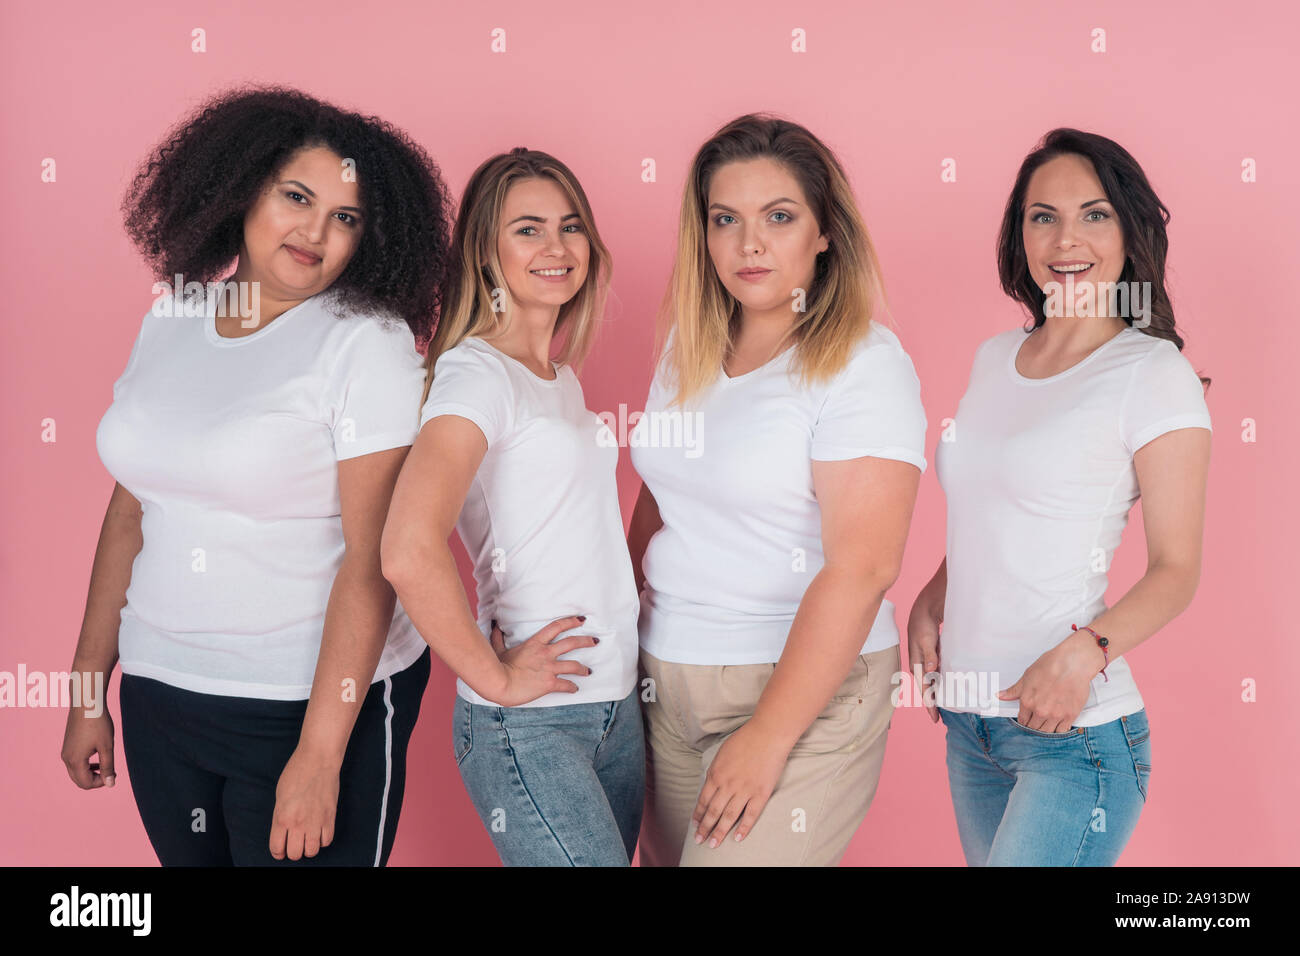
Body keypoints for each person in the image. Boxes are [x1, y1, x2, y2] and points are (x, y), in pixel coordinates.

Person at [64, 85, 453, 866]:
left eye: (346, 217)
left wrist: (317, 757)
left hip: (301, 707)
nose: (316, 230)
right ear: (241, 189)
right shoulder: (172, 315)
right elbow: (128, 513)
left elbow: (371, 559)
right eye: (297, 197)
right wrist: (86, 693)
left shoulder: (363, 344)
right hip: (159, 697)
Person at [628, 114, 928, 866]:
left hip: (803, 687)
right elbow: (664, 495)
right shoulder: (688, 345)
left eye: (779, 217)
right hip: (666, 678)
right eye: (725, 219)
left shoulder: (863, 363)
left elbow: (863, 567)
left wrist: (767, 734)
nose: (749, 243)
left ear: (825, 231)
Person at [908, 128, 1212, 866]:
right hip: (972, 725)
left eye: (1094, 214)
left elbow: (1177, 571)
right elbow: (993, 510)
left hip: (1075, 740)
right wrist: (934, 595)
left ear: (1130, 230)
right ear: (1021, 233)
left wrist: (1082, 658)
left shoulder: (1151, 373)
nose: (1065, 238)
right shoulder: (994, 357)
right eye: (1043, 215)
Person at [382, 148, 643, 866]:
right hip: (530, 726)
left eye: (570, 226)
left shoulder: (556, 380)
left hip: (615, 709)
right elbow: (407, 547)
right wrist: (491, 677)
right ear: (486, 253)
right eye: (528, 229)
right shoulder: (475, 375)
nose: (556, 247)